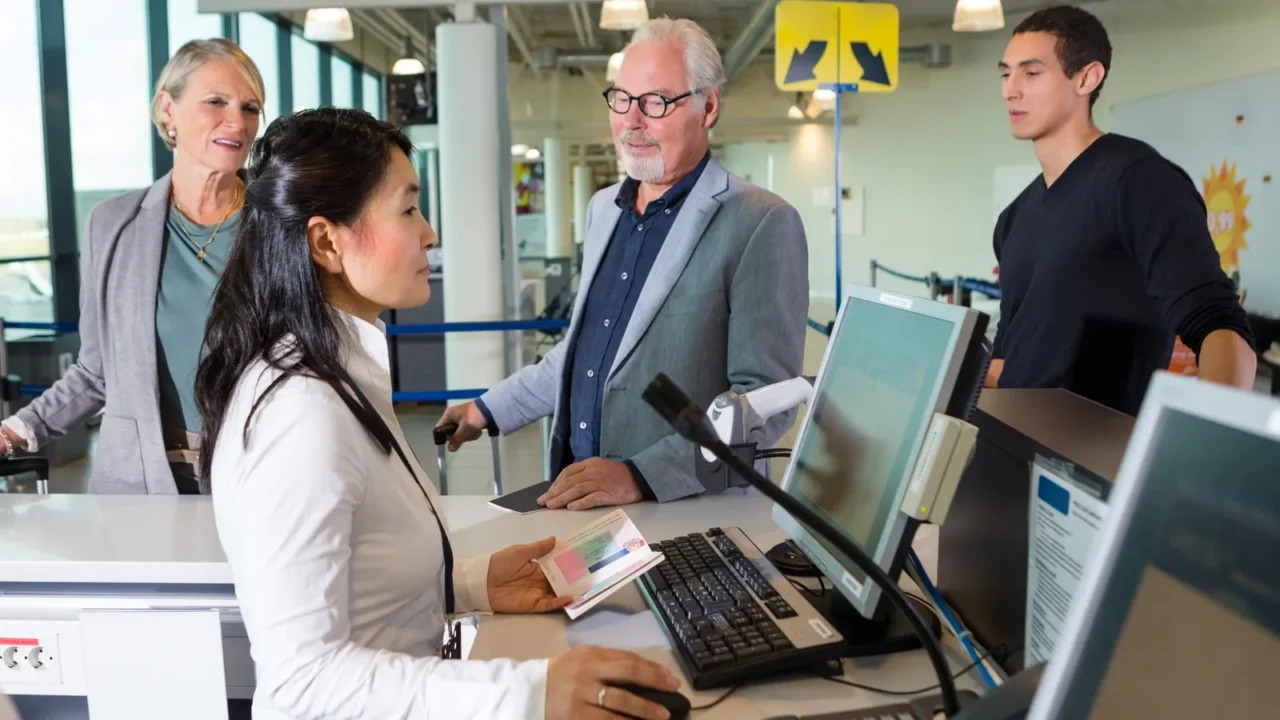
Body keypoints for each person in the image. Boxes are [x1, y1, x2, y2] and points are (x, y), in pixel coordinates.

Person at [194, 108, 680, 720]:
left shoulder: (337, 374)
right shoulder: (301, 413)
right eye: (408, 209)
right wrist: (530, 691)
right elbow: (301, 686)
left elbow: (362, 580)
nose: (430, 233)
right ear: (326, 241)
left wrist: (470, 584)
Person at [439, 18, 809, 509]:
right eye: (622, 99)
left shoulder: (762, 221)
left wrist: (641, 476)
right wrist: (486, 409)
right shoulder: (603, 209)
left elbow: (767, 401)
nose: (633, 121)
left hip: (686, 512)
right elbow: (583, 357)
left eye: (656, 102)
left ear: (708, 107)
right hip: (582, 500)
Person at [0, 39, 265, 494]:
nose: (236, 121)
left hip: (262, 478)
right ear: (168, 110)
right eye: (216, 102)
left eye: (251, 108)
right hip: (139, 484)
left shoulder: (281, 228)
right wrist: (17, 430)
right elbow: (96, 371)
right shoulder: (113, 224)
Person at [989, 5, 1256, 415]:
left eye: (1031, 72)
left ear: (1087, 78)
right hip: (1011, 446)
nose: (1010, 89)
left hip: (1095, 459)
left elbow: (1220, 328)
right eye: (1006, 73)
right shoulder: (1014, 217)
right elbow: (1015, 364)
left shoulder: (1137, 181)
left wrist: (1206, 449)